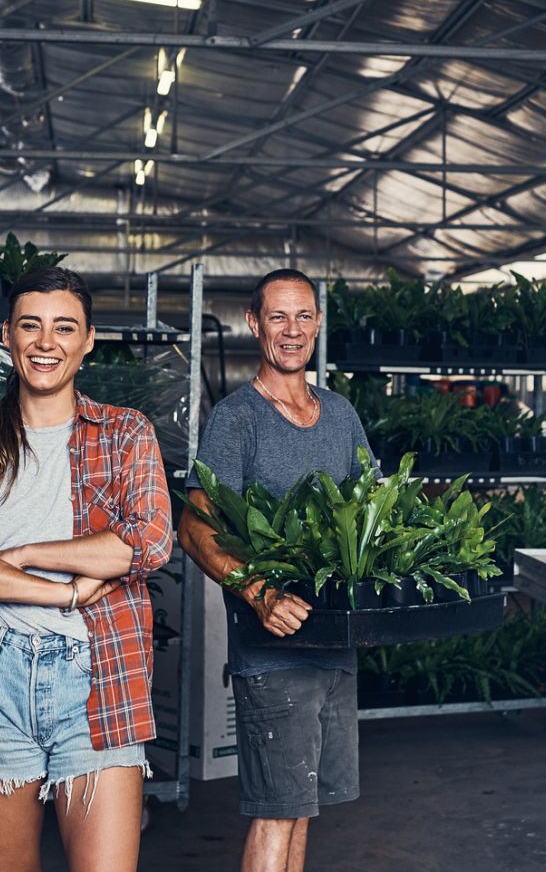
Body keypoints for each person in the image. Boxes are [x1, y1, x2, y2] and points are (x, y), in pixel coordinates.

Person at [0, 265, 173, 872]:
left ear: (87, 342)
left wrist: (27, 553)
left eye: (65, 328)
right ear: (6, 335)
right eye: (30, 326)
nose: (45, 342)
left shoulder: (124, 432)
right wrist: (63, 593)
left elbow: (148, 541)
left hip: (96, 671)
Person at [179, 268, 372, 872]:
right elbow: (194, 527)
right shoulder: (237, 420)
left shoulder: (340, 415)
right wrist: (258, 594)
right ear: (254, 323)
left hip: (335, 646)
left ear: (318, 323)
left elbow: (374, 511)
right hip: (274, 648)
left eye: (304, 316)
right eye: (279, 317)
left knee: (302, 803)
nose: (293, 331)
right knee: (275, 809)